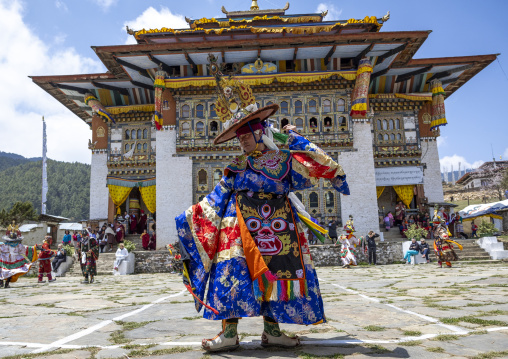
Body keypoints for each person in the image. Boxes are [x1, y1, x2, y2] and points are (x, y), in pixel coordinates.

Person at [176, 70, 350, 353]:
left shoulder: (285, 161)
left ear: (260, 132)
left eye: (246, 135)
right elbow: (215, 198)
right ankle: (229, 333)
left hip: (279, 228)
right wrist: (187, 222)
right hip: (239, 227)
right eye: (239, 136)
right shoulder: (236, 167)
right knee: (231, 272)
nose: (242, 140)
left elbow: (319, 171)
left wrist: (296, 140)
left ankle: (273, 331)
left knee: (277, 277)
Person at [0, 222, 38, 288]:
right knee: (11, 271)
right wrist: (34, 248)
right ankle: (6, 283)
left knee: (2, 270)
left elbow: (1, 248)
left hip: (5, 259)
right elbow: (26, 249)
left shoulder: (4, 245)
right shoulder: (18, 245)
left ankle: (1, 282)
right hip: (14, 259)